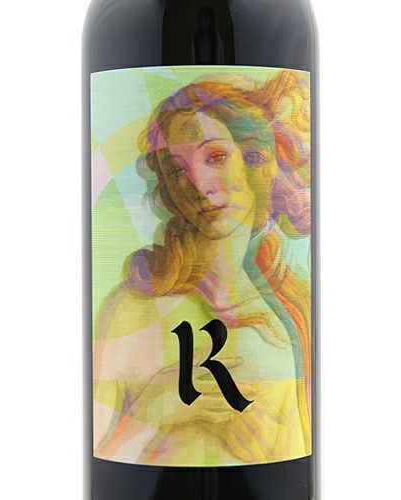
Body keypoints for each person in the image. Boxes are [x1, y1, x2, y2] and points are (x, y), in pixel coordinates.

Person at [93, 70, 312, 466]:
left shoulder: (290, 311)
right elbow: (98, 458)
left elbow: (296, 460)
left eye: (215, 157)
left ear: (254, 160)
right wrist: (150, 414)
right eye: (177, 170)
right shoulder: (131, 308)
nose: (199, 184)